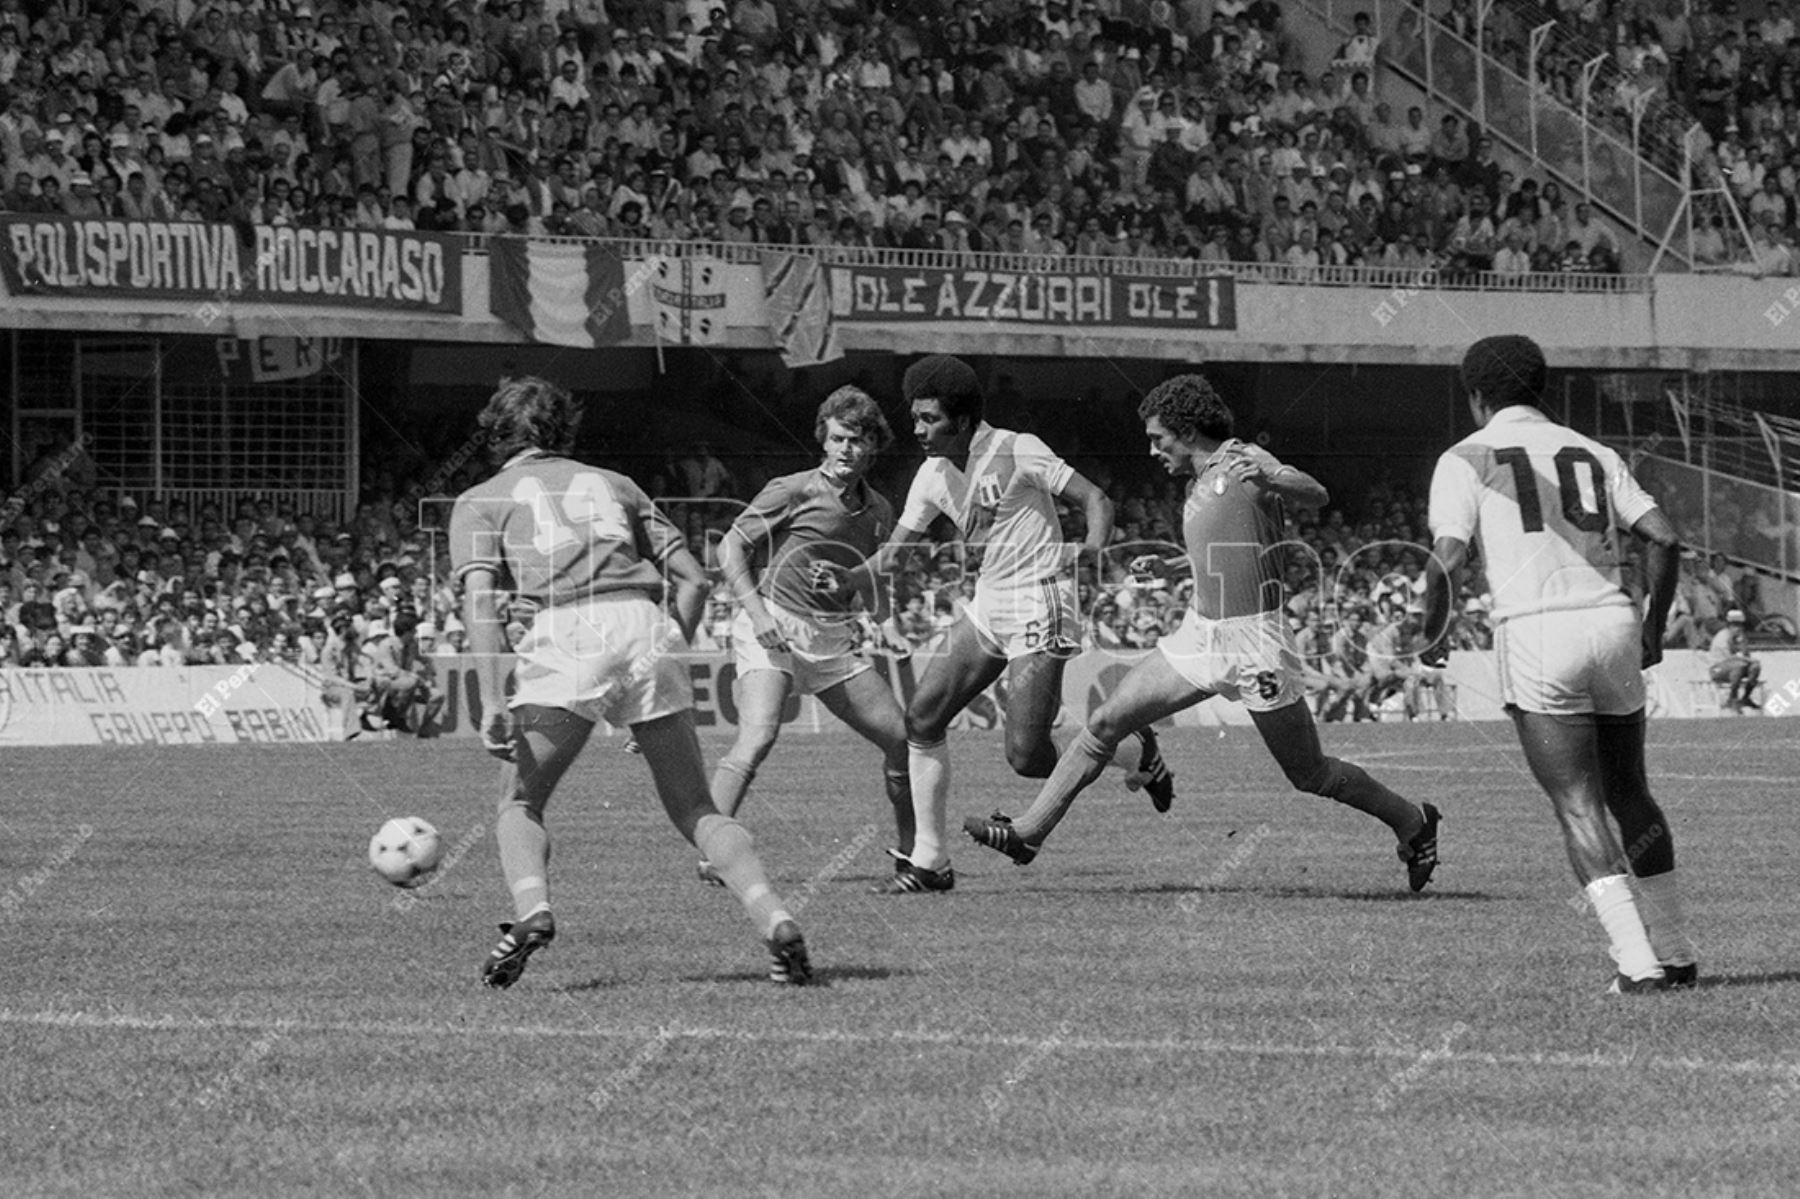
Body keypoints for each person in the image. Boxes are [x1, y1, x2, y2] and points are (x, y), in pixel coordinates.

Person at [964, 375, 1441, 892]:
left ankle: (1413, 822)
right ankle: (1028, 833)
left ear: (1186, 430)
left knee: (1310, 774)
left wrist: (1275, 475)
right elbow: (1226, 556)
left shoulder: (1240, 460)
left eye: (1157, 439)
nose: (1152, 450)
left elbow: (1315, 493)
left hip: (1255, 641)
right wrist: (1169, 568)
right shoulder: (1198, 486)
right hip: (1201, 633)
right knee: (1105, 723)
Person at [449, 376, 812, 988]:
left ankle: (531, 912)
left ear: (494, 434)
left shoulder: (480, 499)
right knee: (696, 808)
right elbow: (694, 579)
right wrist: (666, 652)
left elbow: (480, 601)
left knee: (518, 801)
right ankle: (773, 915)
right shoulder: (617, 485)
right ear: (564, 429)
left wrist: (490, 700)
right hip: (644, 624)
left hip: (566, 627)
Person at [1421, 334, 1696, 993]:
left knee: (1578, 802)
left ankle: (1637, 964)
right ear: (1541, 391)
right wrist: (1652, 629)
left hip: (1539, 633)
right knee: (1631, 792)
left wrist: (1433, 633)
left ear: (1476, 396)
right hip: (1613, 622)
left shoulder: (1466, 455)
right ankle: (1678, 952)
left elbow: (1449, 558)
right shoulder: (1592, 450)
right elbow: (1662, 535)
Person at [855, 355, 1171, 894]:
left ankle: (1135, 751)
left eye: (929, 419)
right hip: (989, 605)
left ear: (961, 417)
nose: (917, 430)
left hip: (1042, 603)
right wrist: (837, 578)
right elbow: (890, 558)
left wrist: (1092, 550)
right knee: (922, 718)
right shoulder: (932, 475)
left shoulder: (1018, 448)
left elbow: (1094, 498)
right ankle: (929, 863)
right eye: (915, 418)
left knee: (1026, 758)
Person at [701, 386, 915, 882]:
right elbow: (730, 549)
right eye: (838, 438)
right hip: (773, 622)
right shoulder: (792, 489)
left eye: (858, 441)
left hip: (832, 639)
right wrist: (758, 616)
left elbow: (873, 579)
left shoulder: (880, 510)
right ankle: (711, 851)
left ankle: (913, 854)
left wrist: (889, 626)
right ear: (824, 438)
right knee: (757, 738)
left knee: (902, 740)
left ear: (872, 447)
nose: (846, 449)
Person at [1708, 608, 1761, 713]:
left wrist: (1743, 645)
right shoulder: (1722, 637)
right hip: (1718, 668)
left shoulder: (1739, 638)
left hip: (1734, 667)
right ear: (1729, 626)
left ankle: (1746, 697)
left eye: (1740, 625)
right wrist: (1747, 659)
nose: (1738, 628)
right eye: (1735, 625)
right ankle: (1732, 698)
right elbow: (1729, 659)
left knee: (1755, 667)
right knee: (1738, 667)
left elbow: (1745, 655)